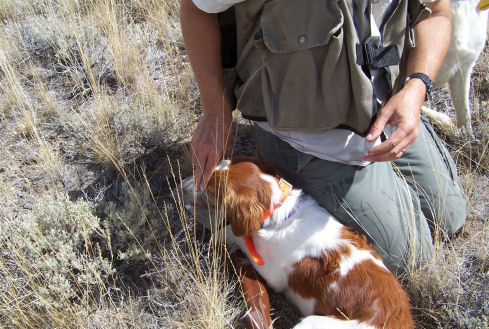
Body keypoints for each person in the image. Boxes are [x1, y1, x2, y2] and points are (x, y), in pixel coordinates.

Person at [180, 0, 466, 273]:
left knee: (450, 217)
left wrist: (417, 86)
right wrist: (215, 111)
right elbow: (196, 9)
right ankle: (231, 210)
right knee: (412, 258)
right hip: (307, 137)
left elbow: (437, 11)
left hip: (388, 108)